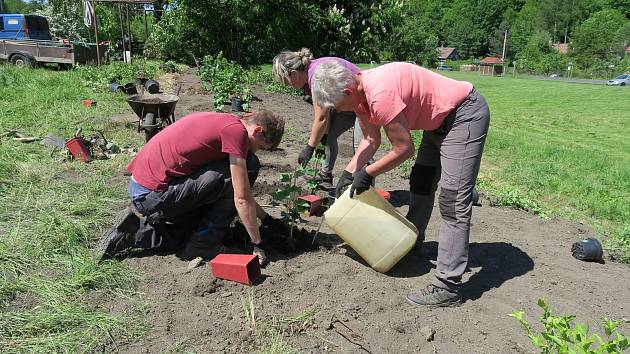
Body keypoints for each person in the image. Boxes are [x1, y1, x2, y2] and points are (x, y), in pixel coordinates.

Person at [311, 61, 490, 307]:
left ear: (348, 92)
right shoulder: (359, 96)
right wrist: (350, 172)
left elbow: (404, 148)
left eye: (340, 107)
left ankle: (449, 286)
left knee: (453, 199)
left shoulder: (379, 94)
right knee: (421, 181)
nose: (341, 112)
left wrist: (368, 172)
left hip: (463, 116)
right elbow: (370, 141)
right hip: (437, 123)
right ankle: (411, 241)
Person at [94, 110, 286, 266]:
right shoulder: (237, 134)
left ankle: (131, 234)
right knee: (247, 166)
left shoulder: (228, 121)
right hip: (152, 195)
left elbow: (242, 193)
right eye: (260, 146)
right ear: (257, 130)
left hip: (145, 189)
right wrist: (257, 242)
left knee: (189, 232)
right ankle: (204, 245)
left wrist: (265, 218)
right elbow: (241, 196)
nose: (256, 150)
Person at [272, 48, 363, 188]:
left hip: (362, 100)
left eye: (286, 82)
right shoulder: (309, 76)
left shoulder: (316, 76)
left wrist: (309, 148)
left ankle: (365, 187)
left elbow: (321, 117)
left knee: (361, 145)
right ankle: (325, 176)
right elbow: (326, 114)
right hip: (345, 103)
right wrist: (323, 135)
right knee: (329, 136)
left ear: (294, 74)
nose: (287, 86)